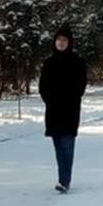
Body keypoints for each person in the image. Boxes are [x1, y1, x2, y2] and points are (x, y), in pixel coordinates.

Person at [39, 24, 87, 193]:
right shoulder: (49, 63)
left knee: (67, 145)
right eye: (58, 39)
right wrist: (49, 99)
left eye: (64, 40)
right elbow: (42, 86)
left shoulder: (77, 62)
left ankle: (64, 180)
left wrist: (70, 98)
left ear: (69, 42)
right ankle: (62, 177)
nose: (61, 43)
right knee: (58, 147)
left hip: (70, 110)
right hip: (53, 110)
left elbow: (81, 85)